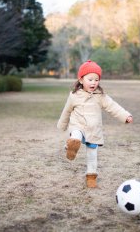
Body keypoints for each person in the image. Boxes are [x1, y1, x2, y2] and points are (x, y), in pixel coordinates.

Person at [57, 60, 133, 188]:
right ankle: (72, 145)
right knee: (76, 136)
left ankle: (91, 176)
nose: (93, 82)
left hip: (93, 131)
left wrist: (125, 116)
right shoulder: (74, 96)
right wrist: (62, 125)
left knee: (92, 155)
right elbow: (66, 111)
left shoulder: (100, 96)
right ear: (81, 80)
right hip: (78, 125)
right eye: (90, 79)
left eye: (96, 80)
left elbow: (113, 106)